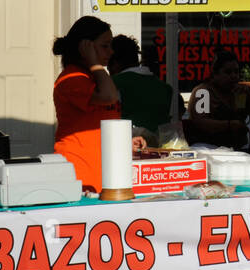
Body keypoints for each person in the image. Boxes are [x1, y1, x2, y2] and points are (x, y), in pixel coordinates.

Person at [53, 16, 142, 192]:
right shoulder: (71, 78)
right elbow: (108, 97)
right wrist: (94, 62)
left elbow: (102, 120)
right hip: (79, 172)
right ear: (85, 47)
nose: (111, 52)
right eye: (105, 46)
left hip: (103, 171)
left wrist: (124, 142)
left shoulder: (95, 77)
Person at [185, 50, 250, 161]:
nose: (233, 76)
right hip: (208, 150)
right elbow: (200, 122)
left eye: (236, 72)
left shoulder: (239, 92)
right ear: (215, 74)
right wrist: (229, 125)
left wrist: (249, 92)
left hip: (236, 150)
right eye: (228, 72)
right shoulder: (204, 92)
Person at [110, 35, 174, 146]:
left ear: (114, 63)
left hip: (127, 147)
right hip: (162, 148)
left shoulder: (113, 83)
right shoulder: (165, 88)